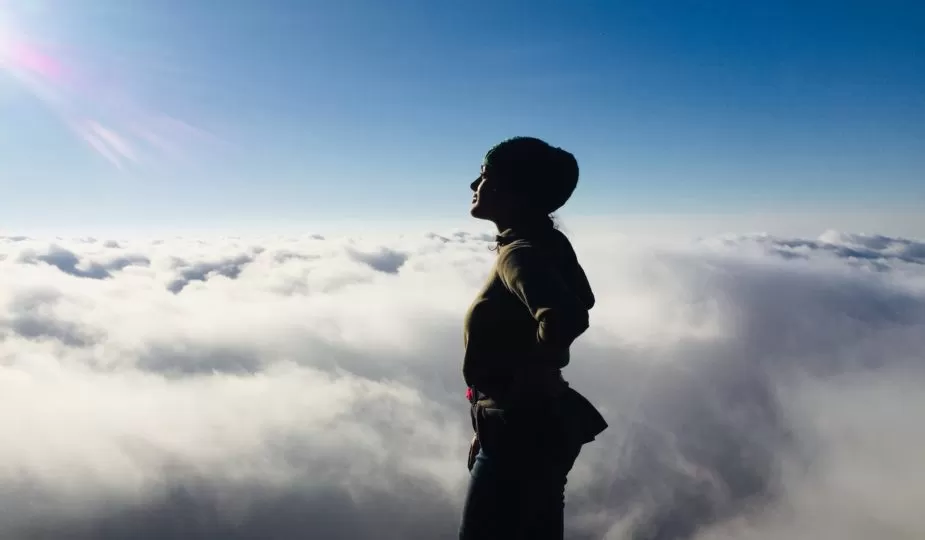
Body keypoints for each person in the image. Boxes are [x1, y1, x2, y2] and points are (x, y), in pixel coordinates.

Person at [458, 136, 609, 539]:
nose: (473, 184)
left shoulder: (518, 253)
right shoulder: (546, 242)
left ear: (513, 190)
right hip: (532, 425)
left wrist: (524, 383)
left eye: (484, 175)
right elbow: (583, 298)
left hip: (519, 430)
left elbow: (566, 316)